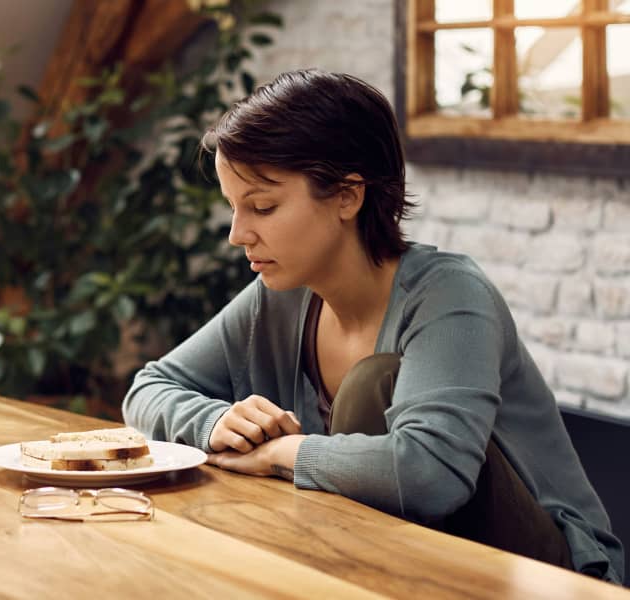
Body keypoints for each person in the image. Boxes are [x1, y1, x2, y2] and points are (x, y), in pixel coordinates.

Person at [121, 69, 623, 583]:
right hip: (394, 564)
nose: (236, 234)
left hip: (547, 576)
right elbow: (148, 389)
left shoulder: (451, 295)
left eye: (262, 207)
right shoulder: (281, 298)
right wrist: (214, 423)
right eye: (234, 207)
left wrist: (281, 453)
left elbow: (429, 474)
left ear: (347, 195)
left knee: (371, 385)